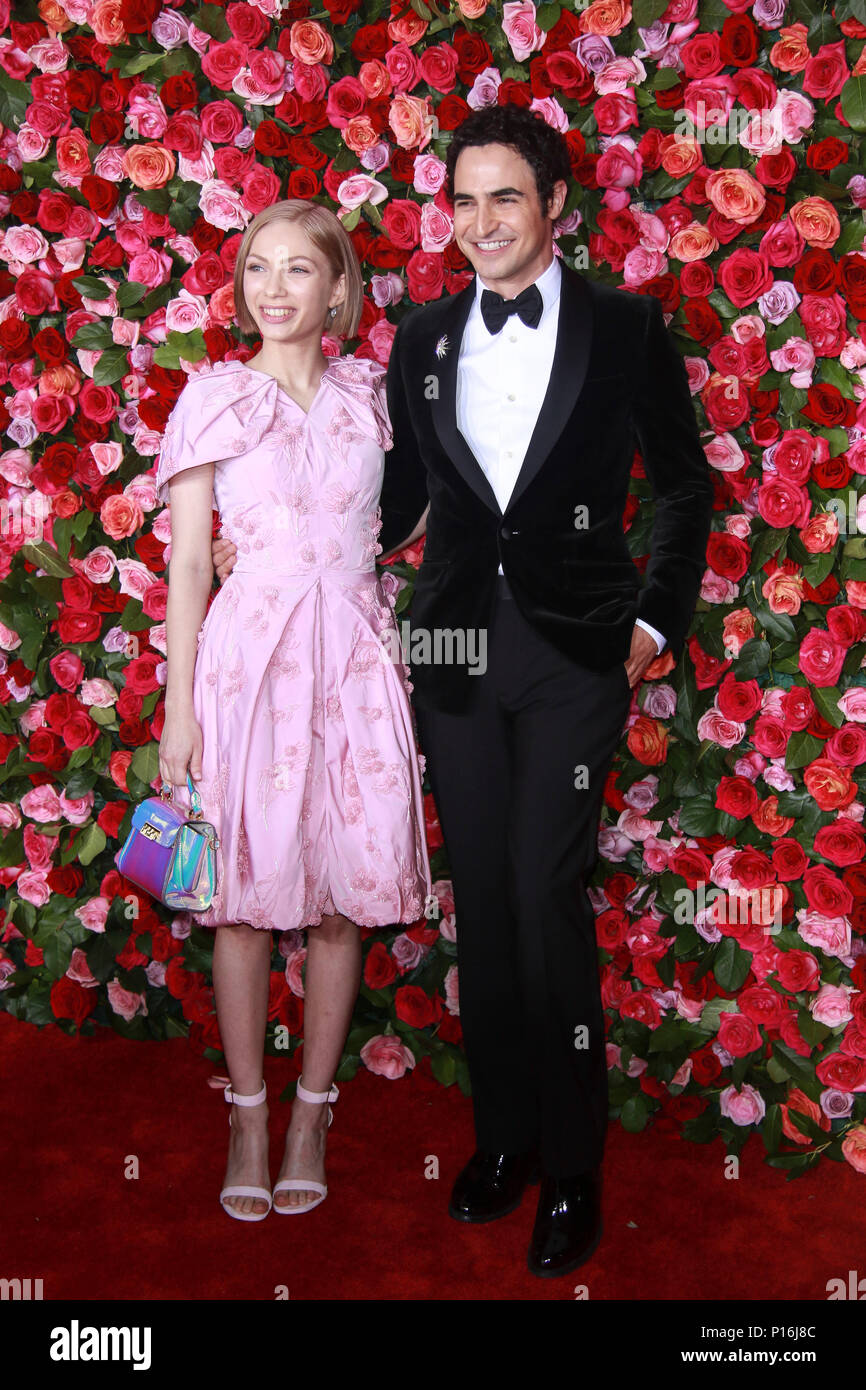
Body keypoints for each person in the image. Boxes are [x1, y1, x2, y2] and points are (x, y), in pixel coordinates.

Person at [214, 105, 713, 1275]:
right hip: (445, 646)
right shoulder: (423, 336)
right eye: (464, 200)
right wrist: (268, 544)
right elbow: (395, 497)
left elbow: (681, 487)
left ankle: (574, 1165)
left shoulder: (628, 326)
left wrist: (650, 620)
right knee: (478, 896)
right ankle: (503, 1144)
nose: (481, 221)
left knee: (544, 890)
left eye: (505, 197)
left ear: (553, 208)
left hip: (572, 646)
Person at [156, 200, 432, 1223]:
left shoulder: (375, 396)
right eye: (258, 269)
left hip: (353, 662)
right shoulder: (213, 397)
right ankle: (248, 1115)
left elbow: (411, 518)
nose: (274, 288)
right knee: (236, 901)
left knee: (334, 899)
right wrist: (177, 712)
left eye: (298, 271)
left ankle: (314, 1110)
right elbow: (189, 559)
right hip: (248, 666)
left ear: (337, 291)